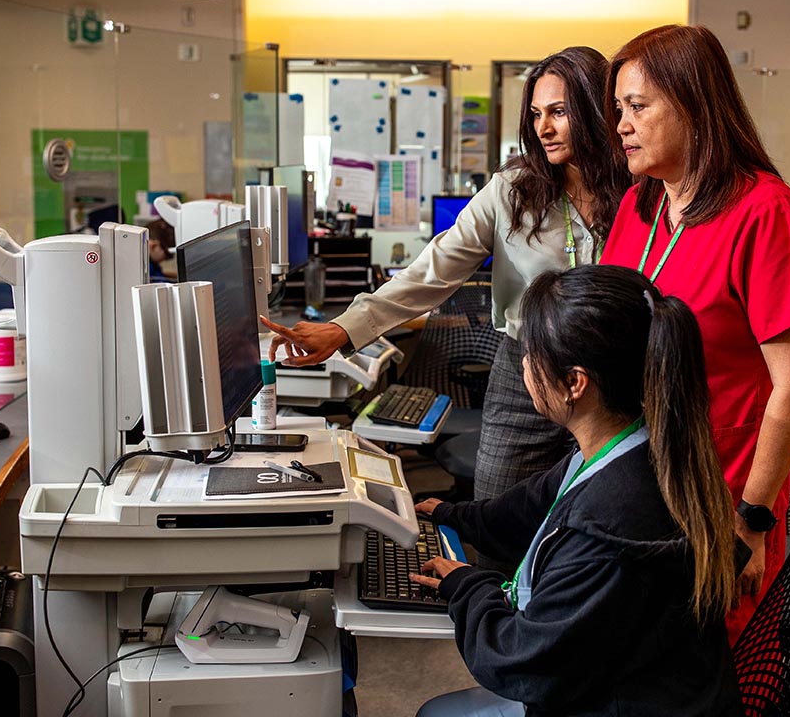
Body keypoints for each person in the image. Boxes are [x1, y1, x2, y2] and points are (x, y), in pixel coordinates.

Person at [261, 46, 632, 510]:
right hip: (529, 370)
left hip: (619, 380)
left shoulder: (641, 191)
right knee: (502, 508)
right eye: (536, 113)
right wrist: (344, 328)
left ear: (596, 110)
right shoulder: (512, 193)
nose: (544, 128)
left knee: (605, 512)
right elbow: (434, 269)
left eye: (559, 112)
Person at [411, 265, 742, 717]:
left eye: (531, 355)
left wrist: (467, 586)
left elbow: (519, 661)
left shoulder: (612, 518)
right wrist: (446, 515)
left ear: (574, 382)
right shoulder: (633, 445)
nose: (523, 365)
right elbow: (526, 511)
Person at [599, 24, 790, 643]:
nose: (621, 124)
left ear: (696, 105)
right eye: (619, 108)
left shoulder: (764, 210)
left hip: (719, 489)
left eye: (638, 107)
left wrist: (750, 519)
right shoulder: (640, 205)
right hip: (638, 476)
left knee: (708, 667)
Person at [146, 218, 176, 283]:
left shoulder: (151, 264)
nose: (166, 260)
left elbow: (160, 275)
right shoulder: (145, 270)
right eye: (167, 255)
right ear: (154, 246)